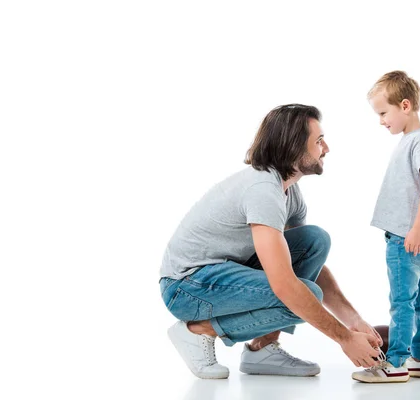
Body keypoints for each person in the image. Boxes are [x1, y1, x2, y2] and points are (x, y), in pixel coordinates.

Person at [160, 104, 382, 379]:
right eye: (319, 141)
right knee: (305, 295)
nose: (327, 148)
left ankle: (261, 347)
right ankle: (197, 331)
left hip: (221, 273)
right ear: (293, 147)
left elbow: (301, 265)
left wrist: (354, 320)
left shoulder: (288, 190)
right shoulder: (263, 190)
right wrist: (345, 339)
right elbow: (286, 284)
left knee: (315, 241)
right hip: (187, 287)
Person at [352, 71, 420, 383]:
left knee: (402, 302)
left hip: (407, 238)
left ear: (405, 106)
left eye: (383, 113)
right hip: (415, 238)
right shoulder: (411, 140)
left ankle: (397, 362)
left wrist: (416, 229)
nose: (381, 121)